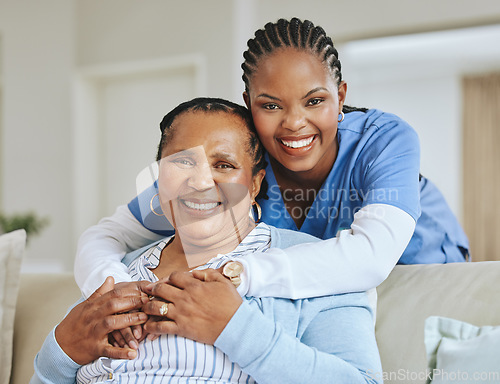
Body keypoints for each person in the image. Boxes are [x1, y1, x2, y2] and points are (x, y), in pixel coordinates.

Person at [74, 17, 468, 342]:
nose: (294, 123)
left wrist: (241, 275)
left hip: (422, 269)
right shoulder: (236, 168)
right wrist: (113, 286)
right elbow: (105, 235)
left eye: (315, 101)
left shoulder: (383, 140)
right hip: (332, 295)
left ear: (341, 95)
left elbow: (371, 256)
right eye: (271, 105)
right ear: (249, 104)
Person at [31, 98, 382, 383]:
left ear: (256, 183)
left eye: (224, 165)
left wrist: (234, 327)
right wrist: (59, 352)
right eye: (182, 161)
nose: (200, 182)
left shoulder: (319, 265)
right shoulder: (115, 270)